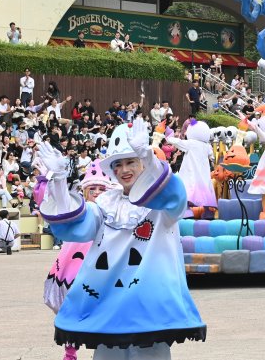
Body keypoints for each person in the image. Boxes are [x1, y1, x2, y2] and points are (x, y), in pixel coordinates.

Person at [37, 118, 206, 359]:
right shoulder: (105, 204)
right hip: (107, 304)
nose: (124, 170)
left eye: (131, 162)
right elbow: (75, 225)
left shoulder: (162, 205)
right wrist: (59, 180)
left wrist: (147, 155)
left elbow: (174, 198)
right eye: (118, 164)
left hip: (148, 305)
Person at [43, 160, 116, 360]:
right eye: (93, 188)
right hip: (76, 259)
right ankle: (70, 351)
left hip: (103, 262)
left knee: (104, 307)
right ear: (85, 191)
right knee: (72, 304)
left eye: (101, 189)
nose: (97, 192)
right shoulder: (81, 208)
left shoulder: (112, 211)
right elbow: (64, 208)